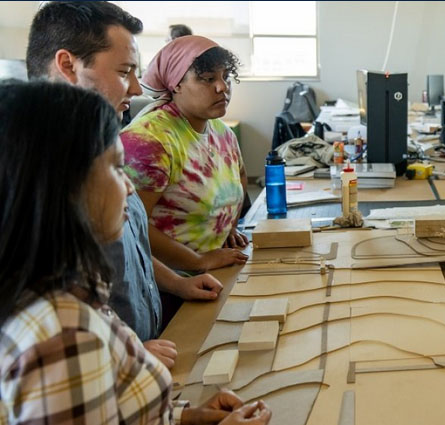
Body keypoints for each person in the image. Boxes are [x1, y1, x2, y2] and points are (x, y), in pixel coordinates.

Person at [0, 80, 271, 425]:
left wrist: (188, 417)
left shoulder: (70, 289)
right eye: (115, 168)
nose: (128, 186)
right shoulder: (64, 335)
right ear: (61, 187)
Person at [26, 1, 229, 367]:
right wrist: (117, 350)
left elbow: (130, 246)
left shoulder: (103, 140)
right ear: (68, 65)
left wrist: (176, 282)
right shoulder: (33, 167)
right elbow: (38, 305)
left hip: (140, 356)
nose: (137, 88)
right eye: (124, 72)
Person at [122, 35, 250, 273]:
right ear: (176, 84)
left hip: (216, 267)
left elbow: (240, 177)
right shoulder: (150, 140)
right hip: (171, 280)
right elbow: (131, 225)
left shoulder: (222, 132)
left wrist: (226, 226)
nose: (222, 87)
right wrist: (197, 261)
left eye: (226, 77)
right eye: (208, 79)